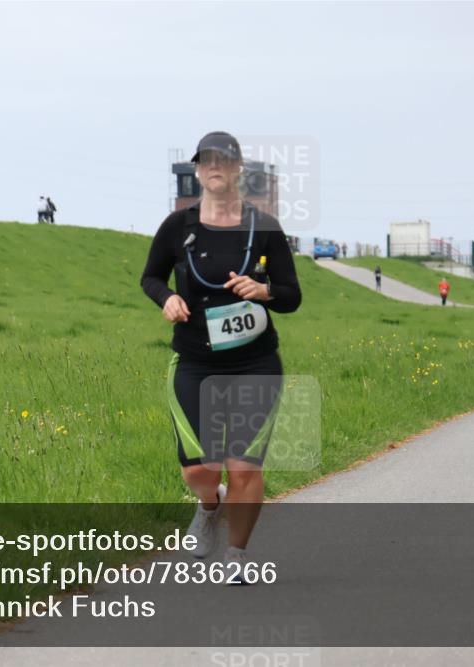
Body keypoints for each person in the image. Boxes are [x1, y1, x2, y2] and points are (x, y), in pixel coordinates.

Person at [140, 131, 301, 584]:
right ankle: (210, 506)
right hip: (195, 361)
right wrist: (167, 299)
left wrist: (264, 291)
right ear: (197, 170)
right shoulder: (178, 226)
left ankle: (237, 554)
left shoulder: (264, 226)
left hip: (255, 364)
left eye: (224, 160)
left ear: (237, 169)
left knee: (244, 467)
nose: (215, 166)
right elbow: (150, 278)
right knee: (200, 470)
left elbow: (291, 296)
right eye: (207, 160)